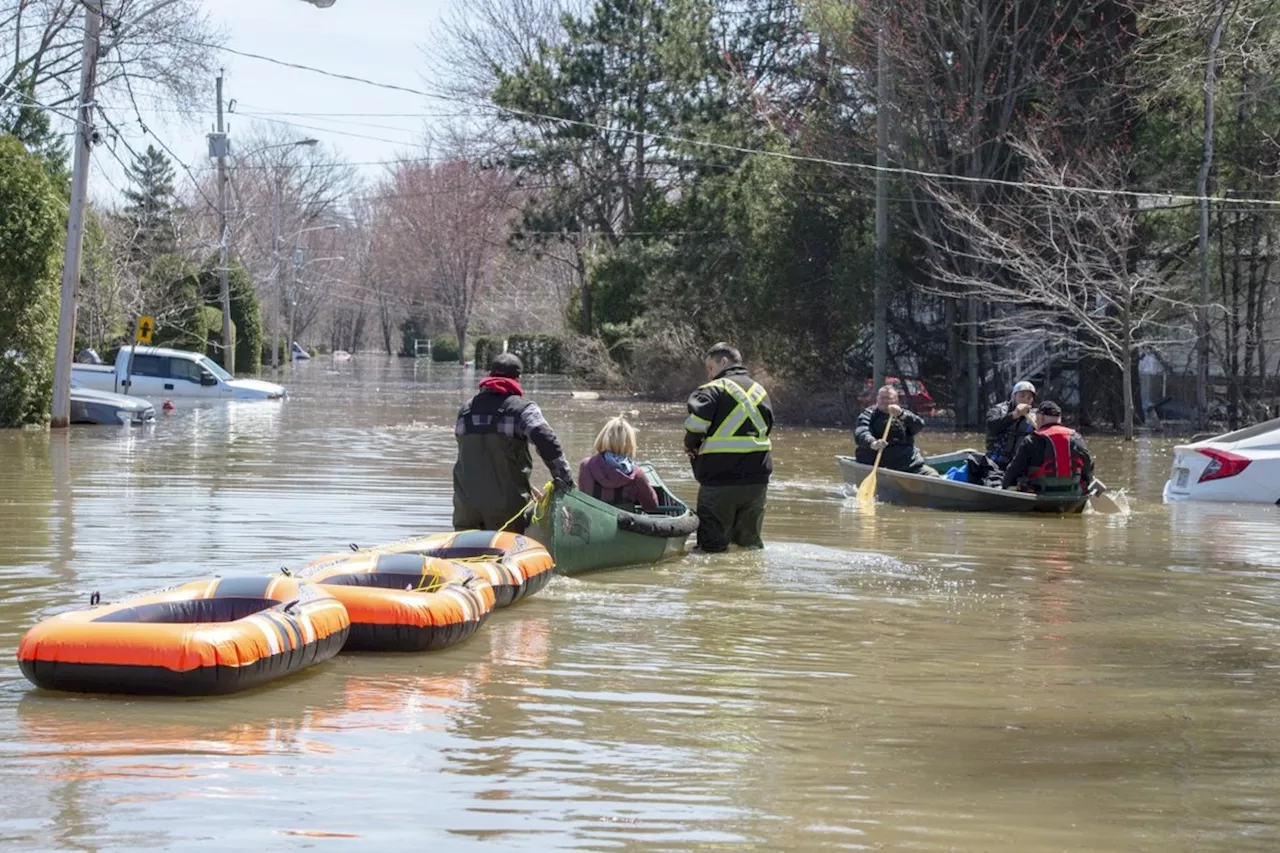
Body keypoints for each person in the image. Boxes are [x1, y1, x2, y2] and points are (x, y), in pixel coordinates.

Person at [452, 352, 574, 534]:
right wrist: (565, 481)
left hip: (465, 511)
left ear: (489, 375)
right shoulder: (523, 409)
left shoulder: (466, 411)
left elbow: (475, 458)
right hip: (508, 514)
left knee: (466, 557)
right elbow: (547, 441)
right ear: (519, 379)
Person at [684, 343, 773, 552]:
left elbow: (695, 429)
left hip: (719, 481)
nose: (708, 373)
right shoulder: (761, 392)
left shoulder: (711, 390)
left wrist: (690, 447)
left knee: (711, 548)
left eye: (710, 367)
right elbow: (766, 429)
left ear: (723, 362)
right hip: (757, 481)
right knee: (749, 547)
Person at [1001, 401, 1095, 497]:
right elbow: (1088, 466)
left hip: (1041, 494)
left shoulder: (1032, 439)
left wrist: (1006, 486)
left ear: (1040, 417)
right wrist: (1087, 482)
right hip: (1072, 494)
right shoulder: (1076, 437)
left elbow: (1014, 470)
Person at [578, 416, 660, 512]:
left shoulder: (586, 466)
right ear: (630, 443)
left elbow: (582, 499)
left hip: (593, 524)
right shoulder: (637, 474)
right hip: (622, 526)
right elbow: (651, 506)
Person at [853, 385, 931, 474]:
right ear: (877, 399)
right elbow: (862, 431)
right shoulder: (868, 415)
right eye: (882, 398)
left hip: (908, 463)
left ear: (896, 400)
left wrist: (902, 415)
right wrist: (873, 443)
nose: (885, 401)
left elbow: (919, 425)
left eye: (888, 398)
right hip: (878, 463)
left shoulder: (904, 414)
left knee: (932, 475)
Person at [986, 380, 1038, 469]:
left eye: (1029, 398)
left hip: (1019, 464)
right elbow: (991, 424)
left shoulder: (1036, 416)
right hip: (995, 461)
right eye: (1022, 396)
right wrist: (1014, 415)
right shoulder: (997, 410)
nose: (1025, 400)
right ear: (1013, 396)